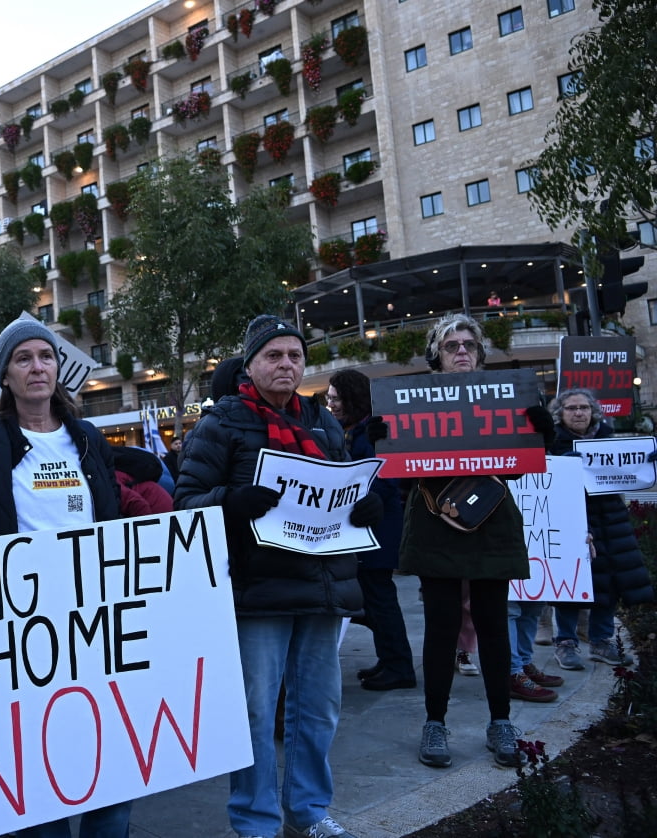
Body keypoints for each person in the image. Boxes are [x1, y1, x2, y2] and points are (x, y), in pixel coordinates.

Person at [0, 318, 130, 838]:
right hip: (20, 632)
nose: (37, 367)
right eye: (23, 359)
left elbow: (115, 528)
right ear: (5, 376)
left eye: (46, 356)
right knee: (35, 767)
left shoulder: (87, 439)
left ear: (59, 368)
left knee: (111, 762)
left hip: (93, 626)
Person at [176, 315, 382, 838]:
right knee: (255, 713)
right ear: (251, 364)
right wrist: (231, 500)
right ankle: (255, 820)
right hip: (257, 592)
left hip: (321, 586)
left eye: (294, 354)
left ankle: (310, 811)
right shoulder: (221, 423)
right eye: (274, 355)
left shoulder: (322, 421)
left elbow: (344, 485)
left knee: (318, 710)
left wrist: (365, 506)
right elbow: (184, 504)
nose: (286, 363)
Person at [392, 313, 550, 771]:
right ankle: (434, 722)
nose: (461, 350)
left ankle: (501, 721)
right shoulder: (414, 404)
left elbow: (518, 467)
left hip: (491, 519)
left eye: (468, 344)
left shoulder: (505, 400)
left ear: (480, 354)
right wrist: (383, 442)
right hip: (433, 521)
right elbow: (398, 475)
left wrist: (542, 433)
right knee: (441, 626)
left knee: (493, 624)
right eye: (450, 345)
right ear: (436, 357)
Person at [548, 388, 655, 670]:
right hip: (571, 520)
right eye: (571, 408)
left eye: (584, 407)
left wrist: (646, 460)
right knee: (569, 583)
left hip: (611, 520)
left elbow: (630, 471)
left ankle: (601, 641)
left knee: (609, 579)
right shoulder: (551, 443)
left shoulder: (608, 440)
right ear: (561, 414)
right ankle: (566, 643)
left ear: (593, 411)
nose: (579, 412)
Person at [327, 370, 414, 691]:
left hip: (376, 528)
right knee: (376, 599)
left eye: (335, 398)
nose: (331, 404)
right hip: (363, 526)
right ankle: (391, 660)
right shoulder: (349, 430)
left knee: (380, 600)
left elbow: (384, 477)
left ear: (352, 397)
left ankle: (399, 666)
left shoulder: (374, 431)